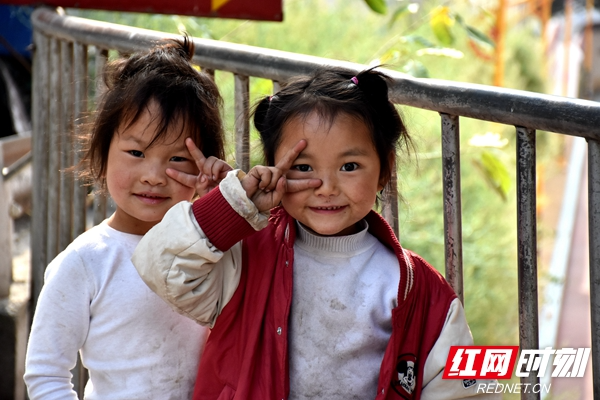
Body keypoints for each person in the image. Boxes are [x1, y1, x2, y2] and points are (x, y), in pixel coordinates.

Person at [132, 66, 499, 399]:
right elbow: (159, 267)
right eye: (304, 167)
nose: (326, 187)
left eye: (349, 166)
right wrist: (230, 206)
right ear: (274, 170)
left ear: (384, 171)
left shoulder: (421, 291)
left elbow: (473, 389)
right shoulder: (247, 256)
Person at [24, 36, 231, 400]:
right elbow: (46, 374)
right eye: (136, 152)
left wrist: (225, 202)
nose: (153, 175)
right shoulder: (85, 262)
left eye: (178, 159)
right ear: (102, 156)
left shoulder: (218, 251)